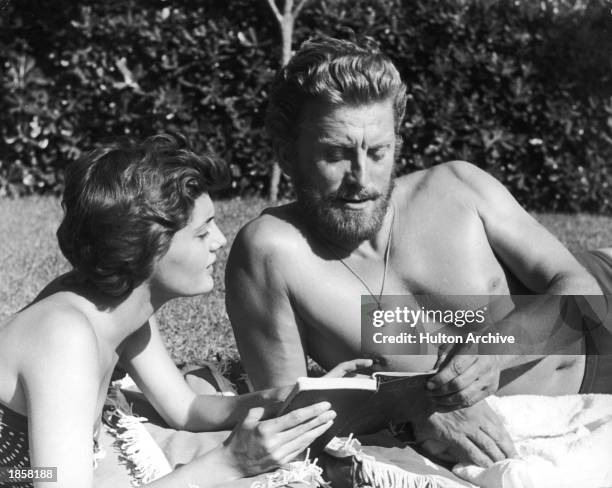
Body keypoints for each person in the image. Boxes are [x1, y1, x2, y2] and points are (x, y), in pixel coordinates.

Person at [225, 36, 611, 469]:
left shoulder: (457, 189)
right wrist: (410, 408)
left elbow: (579, 290)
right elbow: (289, 424)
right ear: (287, 156)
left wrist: (495, 348)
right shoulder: (272, 254)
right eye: (335, 155)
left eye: (378, 152)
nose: (362, 179)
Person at [0, 134, 370, 488]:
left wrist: (289, 399)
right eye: (202, 231)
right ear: (149, 246)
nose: (221, 240)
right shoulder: (66, 338)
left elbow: (185, 408)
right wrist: (228, 463)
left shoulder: (122, 309)